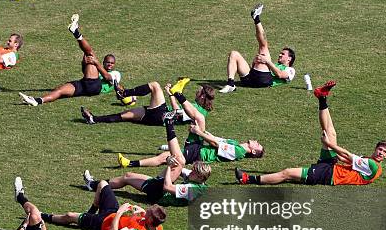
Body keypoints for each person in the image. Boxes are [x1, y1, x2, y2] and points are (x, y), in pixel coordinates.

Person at [236, 81, 386, 185]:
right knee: (331, 132)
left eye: (384, 152)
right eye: (380, 149)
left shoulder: (373, 165)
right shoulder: (368, 161)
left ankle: (248, 179)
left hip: (328, 175)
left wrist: (330, 145)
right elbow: (346, 158)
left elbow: (348, 154)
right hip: (332, 166)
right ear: (376, 149)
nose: (381, 153)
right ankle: (322, 98)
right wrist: (331, 147)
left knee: (287, 173)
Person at [101, 111, 211, 206]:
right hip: (158, 188)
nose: (191, 172)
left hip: (159, 195)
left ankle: (169, 123)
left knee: (180, 161)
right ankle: (95, 184)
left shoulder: (192, 190)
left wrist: (169, 166)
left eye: (194, 172)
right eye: (193, 169)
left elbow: (167, 187)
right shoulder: (199, 182)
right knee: (127, 176)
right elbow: (183, 172)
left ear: (200, 178)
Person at [18, 14, 121, 106]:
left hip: (95, 87)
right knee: (59, 91)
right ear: (104, 62)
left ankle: (75, 32)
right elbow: (85, 72)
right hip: (84, 85)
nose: (110, 65)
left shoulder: (116, 74)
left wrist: (96, 63)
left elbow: (107, 77)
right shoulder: (96, 70)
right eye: (108, 62)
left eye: (112, 63)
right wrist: (84, 64)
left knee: (90, 53)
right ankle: (37, 101)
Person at [41, 179, 166, 230]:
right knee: (102, 184)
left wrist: (119, 212)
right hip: (111, 213)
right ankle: (92, 210)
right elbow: (150, 223)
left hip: (101, 223)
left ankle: (43, 216)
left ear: (150, 219)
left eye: (148, 212)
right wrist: (142, 211)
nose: (146, 212)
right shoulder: (158, 227)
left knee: (69, 216)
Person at [81, 78, 212, 132]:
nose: (196, 92)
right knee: (124, 115)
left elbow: (176, 112)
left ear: (202, 96)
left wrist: (171, 95)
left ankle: (124, 93)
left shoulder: (199, 112)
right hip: (157, 115)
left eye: (198, 91)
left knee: (154, 85)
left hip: (161, 116)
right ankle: (93, 119)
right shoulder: (196, 106)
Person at [118, 122, 264, 168]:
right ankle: (175, 97)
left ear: (253, 152)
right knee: (198, 118)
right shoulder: (236, 144)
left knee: (165, 157)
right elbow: (216, 138)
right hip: (199, 148)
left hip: (199, 154)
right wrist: (202, 131)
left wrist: (199, 133)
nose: (257, 142)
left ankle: (130, 163)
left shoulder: (238, 152)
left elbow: (214, 144)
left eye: (258, 146)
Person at [220, 3, 295, 93]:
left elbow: (279, 74)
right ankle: (230, 83)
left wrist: (267, 61)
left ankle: (256, 19)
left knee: (263, 47)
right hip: (250, 79)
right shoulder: (274, 65)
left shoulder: (290, 70)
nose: (279, 55)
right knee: (234, 54)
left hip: (263, 82)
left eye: (283, 54)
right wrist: (255, 62)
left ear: (289, 58)